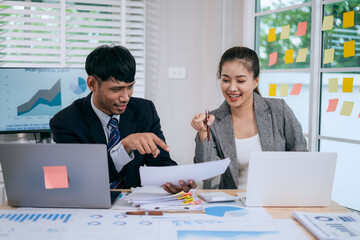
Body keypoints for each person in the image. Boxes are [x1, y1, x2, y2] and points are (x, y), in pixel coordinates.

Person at [50, 45, 196, 192]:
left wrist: (176, 181)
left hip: (134, 204)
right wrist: (124, 148)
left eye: (130, 87)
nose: (125, 97)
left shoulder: (145, 111)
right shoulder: (65, 122)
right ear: (92, 84)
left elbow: (161, 164)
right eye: (116, 89)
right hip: (90, 203)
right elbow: (81, 177)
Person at [191, 46, 307, 189]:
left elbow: (301, 156)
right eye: (226, 80)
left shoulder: (278, 110)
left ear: (255, 81)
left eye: (240, 81)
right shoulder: (213, 120)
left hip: (277, 202)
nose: (232, 88)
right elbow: (207, 174)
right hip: (234, 206)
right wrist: (203, 133)